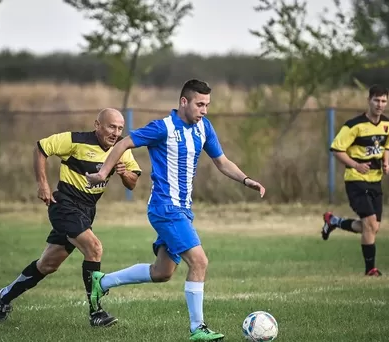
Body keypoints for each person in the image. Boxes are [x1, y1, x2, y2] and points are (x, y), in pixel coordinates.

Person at [85, 79, 266, 341]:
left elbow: (222, 162)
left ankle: (101, 282)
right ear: (184, 102)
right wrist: (103, 172)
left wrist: (247, 180)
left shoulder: (204, 127)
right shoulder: (163, 128)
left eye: (207, 105)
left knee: (162, 273)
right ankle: (198, 329)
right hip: (165, 208)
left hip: (183, 210)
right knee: (200, 261)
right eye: (200, 104)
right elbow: (124, 143)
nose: (204, 110)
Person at [0, 108, 142, 326]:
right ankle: (96, 313)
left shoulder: (121, 149)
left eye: (120, 128)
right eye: (111, 127)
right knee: (94, 248)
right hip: (64, 204)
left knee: (48, 264)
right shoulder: (76, 140)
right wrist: (42, 183)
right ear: (97, 125)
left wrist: (124, 173)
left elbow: (133, 182)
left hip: (87, 210)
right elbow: (41, 147)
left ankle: (4, 296)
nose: (115, 132)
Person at [321, 84, 389, 276]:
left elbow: (386, 147)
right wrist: (355, 165)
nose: (380, 104)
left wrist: (386, 163)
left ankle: (334, 222)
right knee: (370, 225)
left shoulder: (388, 125)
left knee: (372, 227)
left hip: (375, 181)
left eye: (384, 101)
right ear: (369, 100)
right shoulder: (354, 126)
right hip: (356, 181)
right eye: (376, 100)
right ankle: (370, 269)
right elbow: (336, 149)